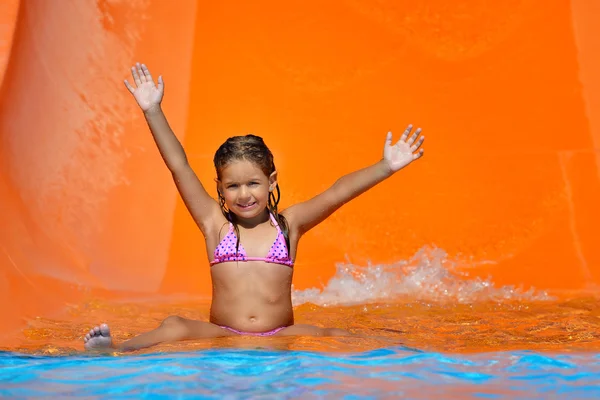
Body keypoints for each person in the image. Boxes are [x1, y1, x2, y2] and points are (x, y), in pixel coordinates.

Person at [84, 63, 425, 352]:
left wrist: (386, 166)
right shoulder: (214, 225)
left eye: (253, 184)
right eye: (232, 186)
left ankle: (398, 352)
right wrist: (152, 110)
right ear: (220, 188)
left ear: (271, 181)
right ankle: (114, 351)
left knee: (335, 335)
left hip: (279, 334)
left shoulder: (288, 225)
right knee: (174, 325)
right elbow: (180, 167)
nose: (243, 194)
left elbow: (336, 193)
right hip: (224, 333)